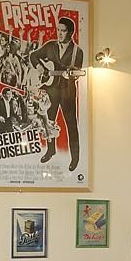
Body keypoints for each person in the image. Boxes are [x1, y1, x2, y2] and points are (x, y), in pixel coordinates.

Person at [28, 16, 85, 170]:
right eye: (58, 30)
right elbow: (33, 56)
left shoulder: (77, 52)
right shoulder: (50, 46)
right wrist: (41, 69)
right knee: (49, 122)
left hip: (67, 92)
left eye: (63, 31)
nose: (59, 33)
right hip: (50, 91)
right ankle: (50, 150)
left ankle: (75, 158)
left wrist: (70, 74)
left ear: (71, 32)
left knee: (71, 125)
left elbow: (77, 72)